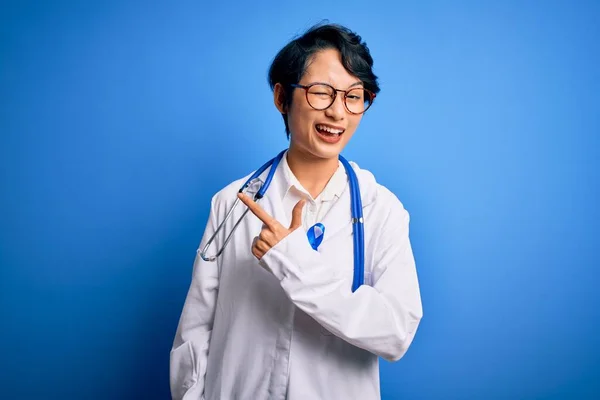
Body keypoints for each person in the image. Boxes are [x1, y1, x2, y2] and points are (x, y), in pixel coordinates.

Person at [170, 22, 423, 400]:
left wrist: (294, 261)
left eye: (354, 96)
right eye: (322, 92)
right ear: (281, 97)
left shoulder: (380, 209)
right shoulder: (233, 203)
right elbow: (195, 332)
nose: (338, 112)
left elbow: (396, 331)